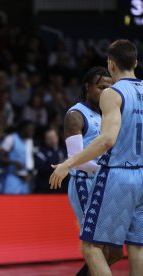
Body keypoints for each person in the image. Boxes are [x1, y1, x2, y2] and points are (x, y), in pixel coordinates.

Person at [50, 39, 143, 275]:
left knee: (92, 246)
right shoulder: (77, 114)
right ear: (135, 62)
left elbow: (107, 140)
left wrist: (67, 164)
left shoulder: (114, 94)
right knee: (135, 246)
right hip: (137, 173)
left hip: (116, 174)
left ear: (110, 63)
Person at [62, 66, 123, 275]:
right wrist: (108, 171)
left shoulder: (111, 113)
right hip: (84, 182)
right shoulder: (76, 115)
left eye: (110, 87)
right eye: (101, 87)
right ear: (87, 87)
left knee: (115, 251)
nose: (106, 92)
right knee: (96, 246)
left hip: (107, 182)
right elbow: (75, 160)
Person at [0, 120, 35, 194]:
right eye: (30, 129)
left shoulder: (30, 141)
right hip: (12, 177)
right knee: (10, 204)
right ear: (23, 128)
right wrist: (13, 162)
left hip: (25, 179)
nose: (32, 132)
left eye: (33, 130)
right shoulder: (11, 138)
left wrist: (30, 172)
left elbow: (29, 159)